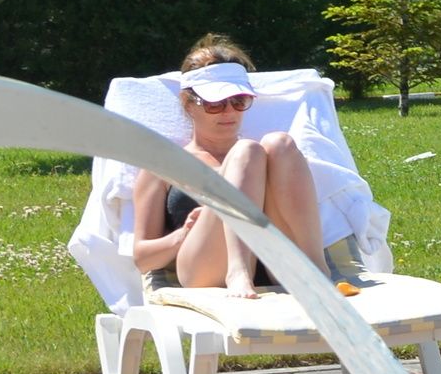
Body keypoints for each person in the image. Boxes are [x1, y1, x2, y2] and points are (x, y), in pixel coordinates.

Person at [127, 36, 325, 292]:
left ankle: (317, 267)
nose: (229, 112)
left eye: (239, 101)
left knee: (280, 143)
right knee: (247, 151)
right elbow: (142, 259)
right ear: (189, 103)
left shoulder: (264, 157)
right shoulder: (164, 166)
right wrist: (182, 234)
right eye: (215, 104)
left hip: (275, 264)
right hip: (205, 270)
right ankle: (238, 270)